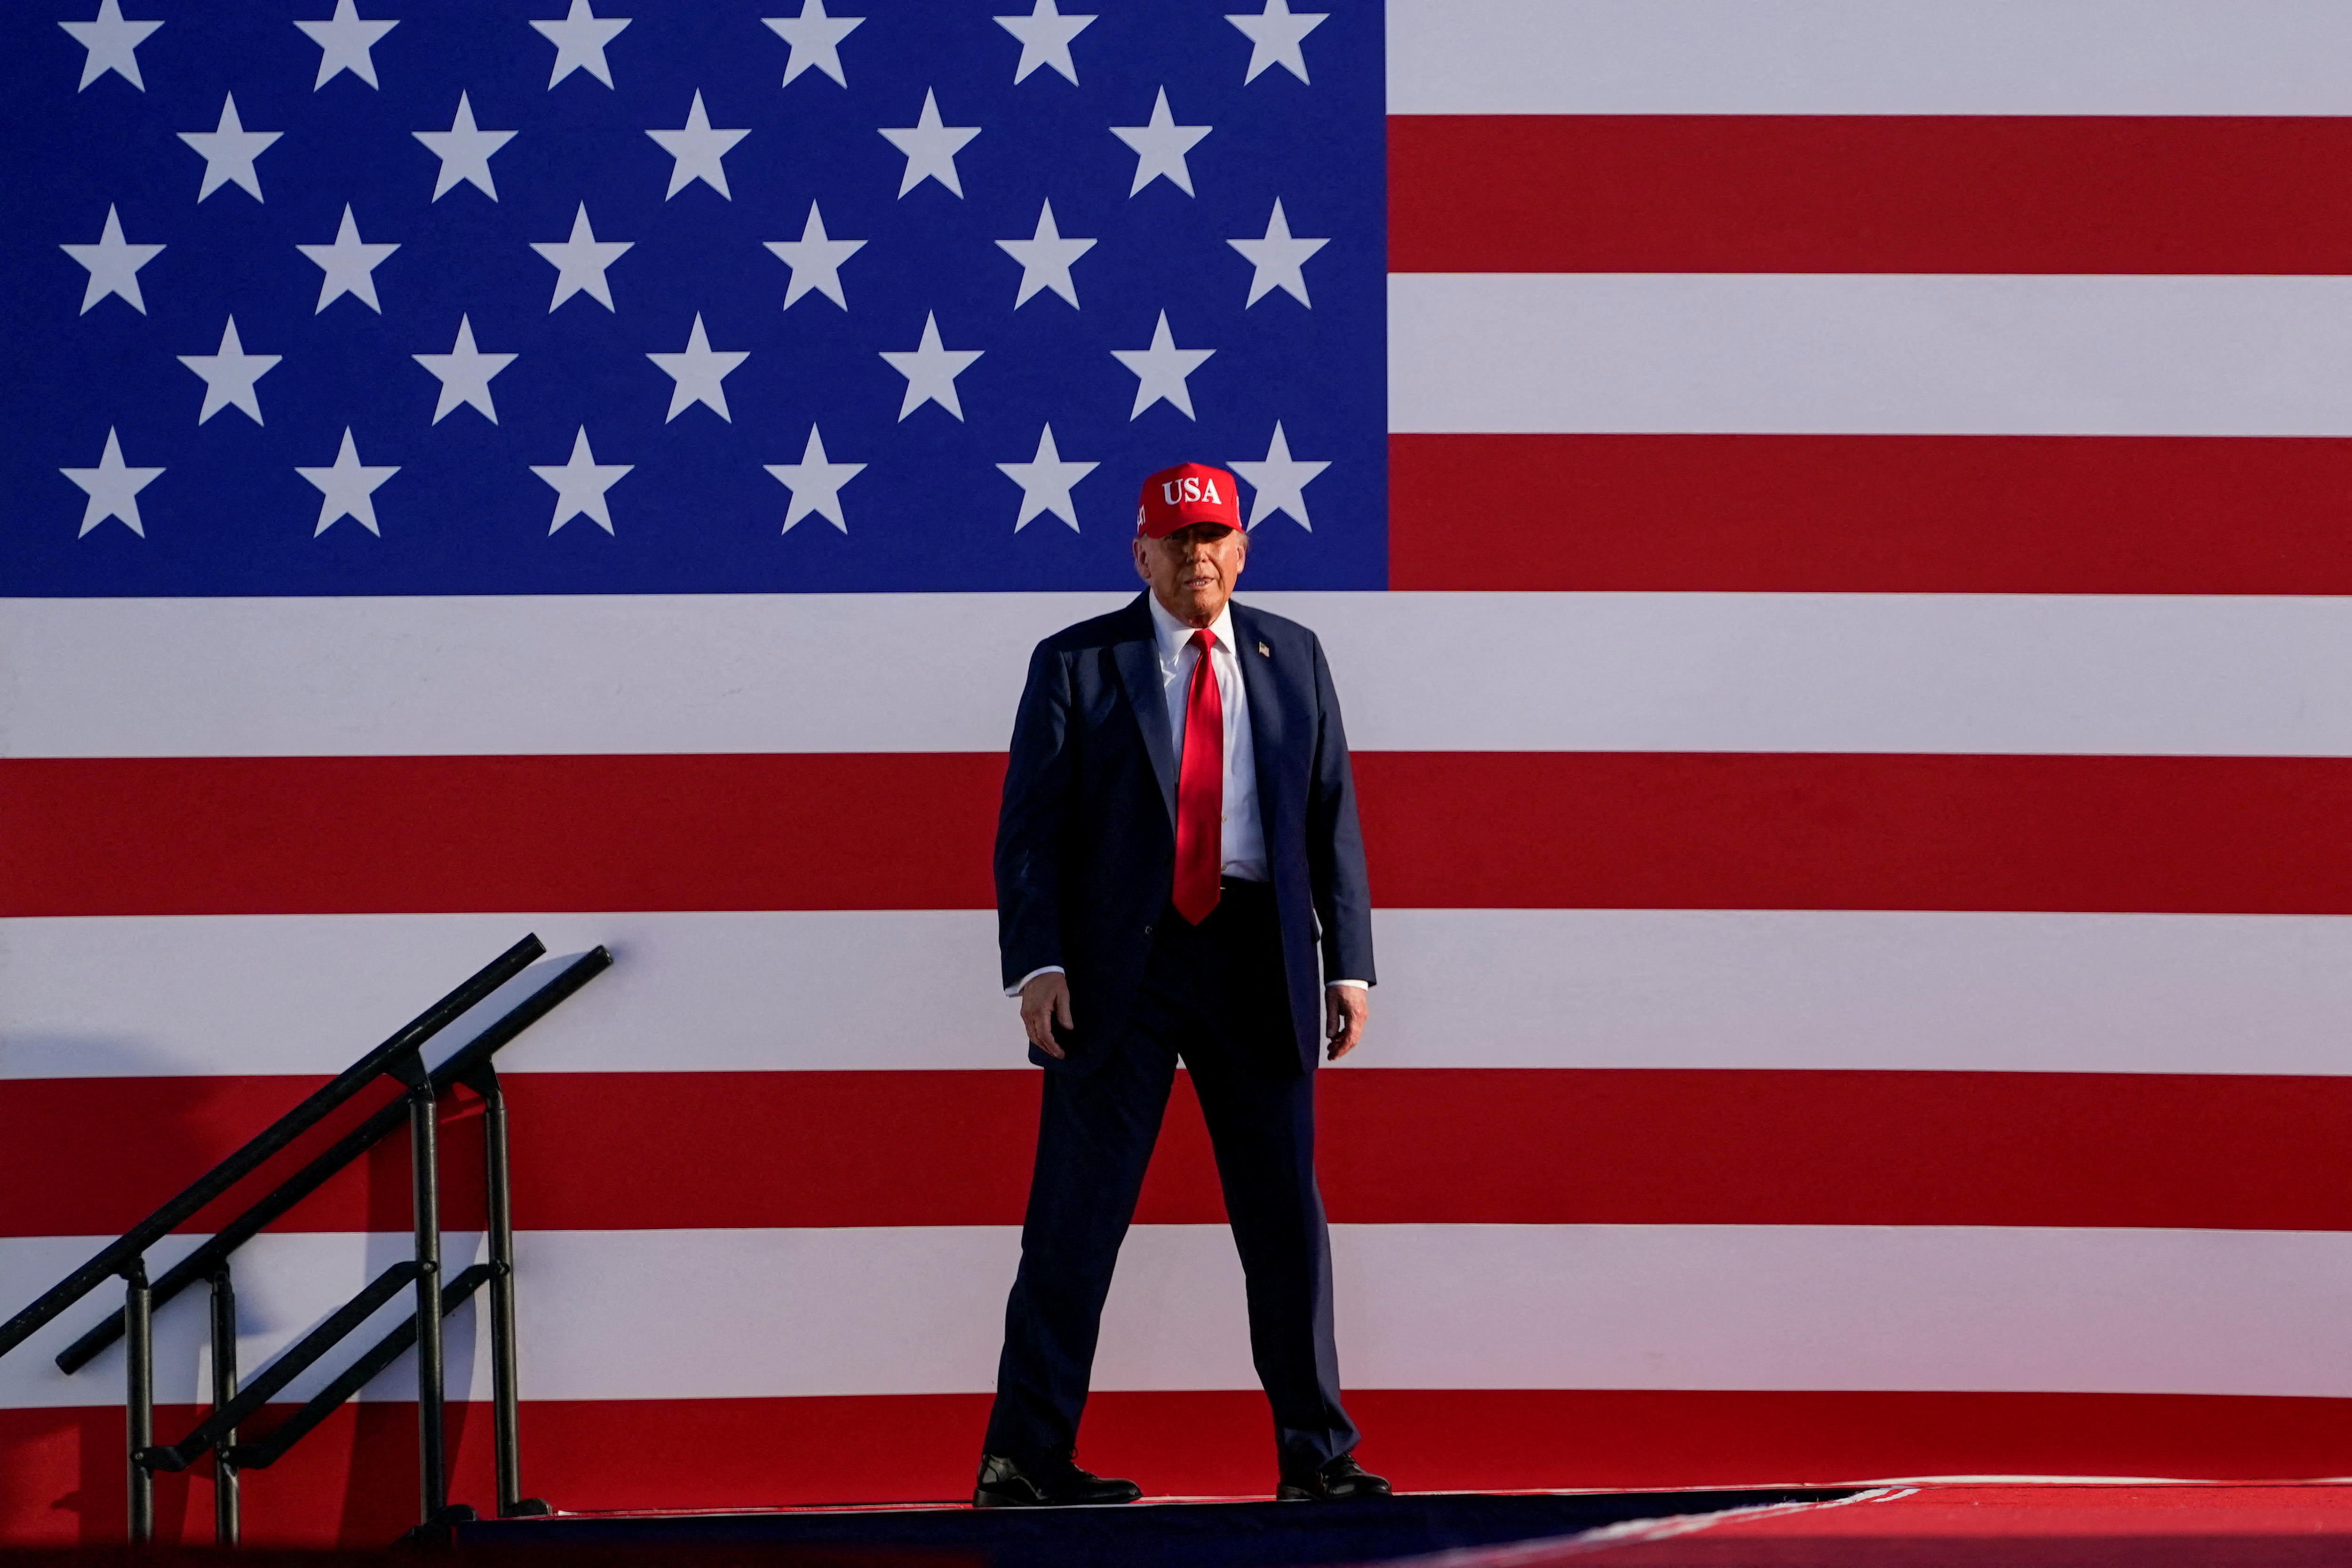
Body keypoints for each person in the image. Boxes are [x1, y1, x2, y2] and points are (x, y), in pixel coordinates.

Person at [975, 461, 1391, 1507]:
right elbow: (1029, 830)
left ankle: (1316, 1454)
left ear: (1240, 550)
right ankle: (1024, 1458)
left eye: (1214, 538)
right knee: (1074, 1216)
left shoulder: (1290, 655)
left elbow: (1329, 814)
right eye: (1176, 540)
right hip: (1121, 965)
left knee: (1283, 1220)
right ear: (1141, 554)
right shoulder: (1077, 662)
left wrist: (1347, 960)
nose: (1196, 555)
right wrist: (1039, 961)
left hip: (1258, 957)